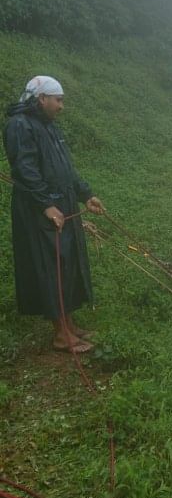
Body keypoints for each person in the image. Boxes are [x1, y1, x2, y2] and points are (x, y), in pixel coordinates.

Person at [3, 76, 106, 354]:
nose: (61, 106)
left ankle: (70, 325)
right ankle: (60, 335)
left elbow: (65, 169)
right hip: (40, 209)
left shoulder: (49, 126)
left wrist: (86, 194)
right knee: (51, 265)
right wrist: (46, 204)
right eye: (58, 100)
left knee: (67, 262)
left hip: (64, 202)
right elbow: (25, 170)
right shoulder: (20, 126)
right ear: (41, 99)